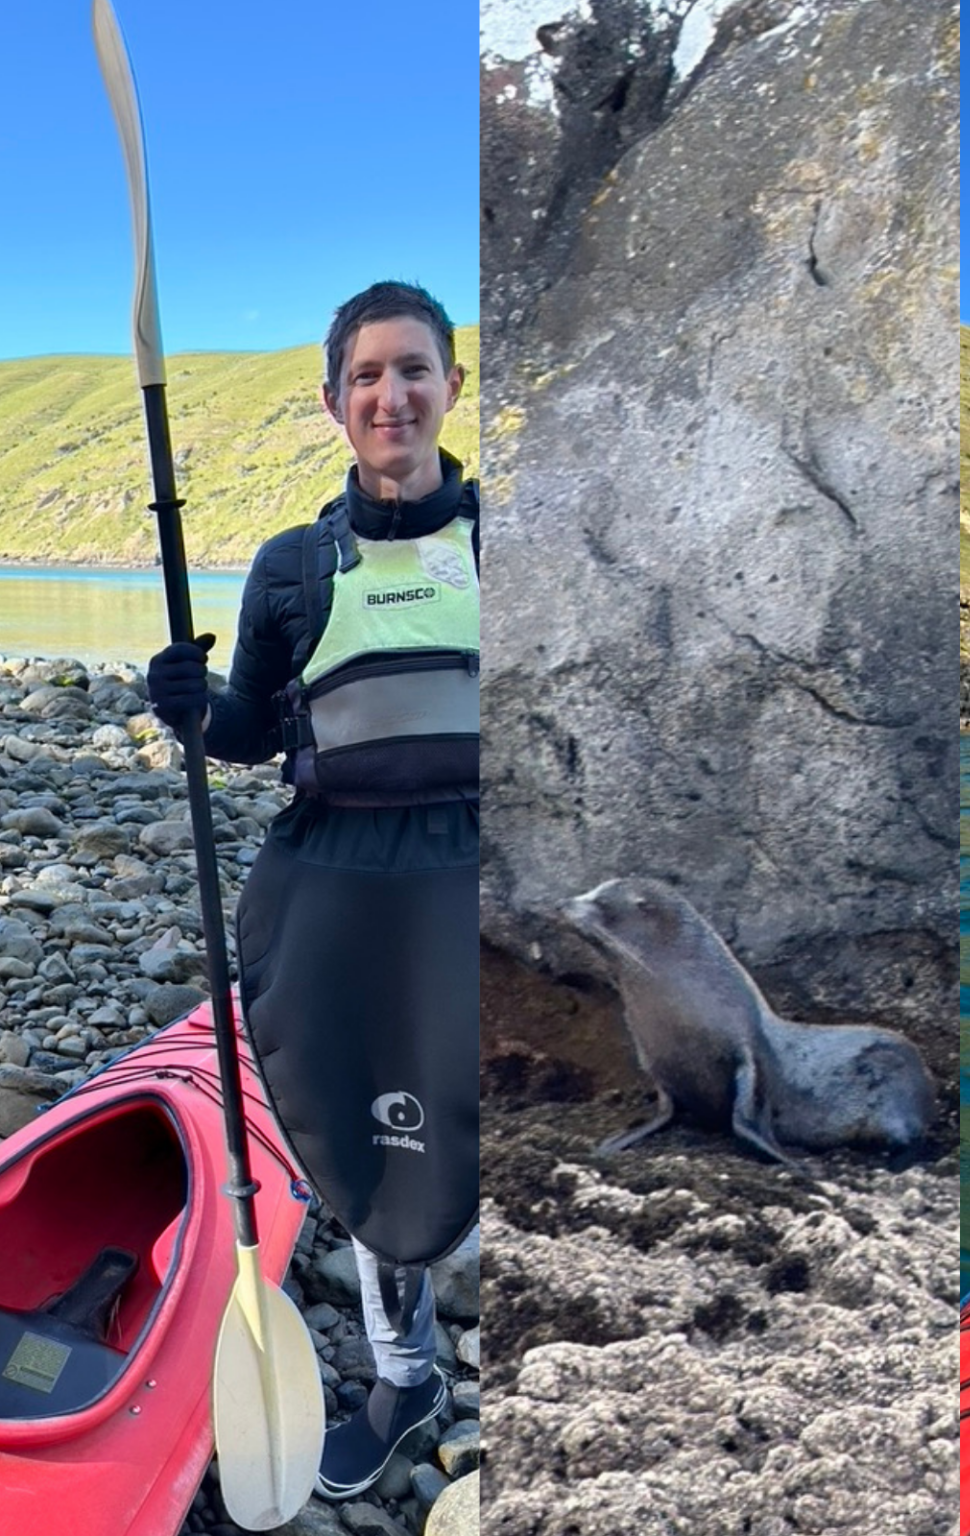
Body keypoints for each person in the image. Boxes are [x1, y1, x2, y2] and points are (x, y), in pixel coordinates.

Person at [147, 281, 479, 1501]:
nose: (391, 394)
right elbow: (245, 730)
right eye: (367, 377)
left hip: (473, 882)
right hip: (337, 880)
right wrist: (190, 706)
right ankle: (407, 1383)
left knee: (490, 1127)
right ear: (336, 403)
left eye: (414, 370)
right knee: (375, 1141)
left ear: (450, 385)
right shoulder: (293, 567)